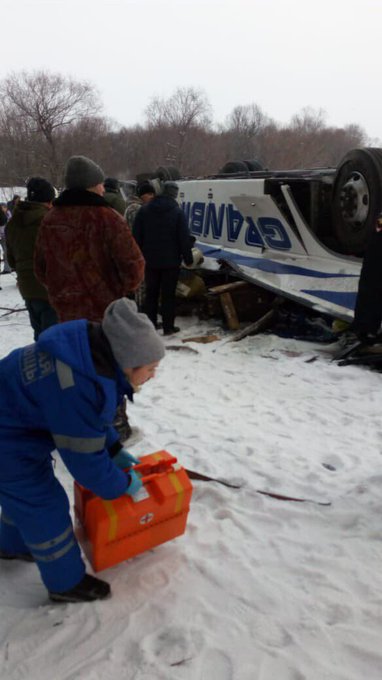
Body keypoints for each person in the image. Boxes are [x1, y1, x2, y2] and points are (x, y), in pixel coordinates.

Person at [0, 298, 165, 603]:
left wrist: (113, 447)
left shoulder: (86, 353)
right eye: (152, 368)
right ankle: (66, 584)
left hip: (14, 424)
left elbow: (89, 418)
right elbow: (87, 465)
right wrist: (120, 484)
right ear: (129, 363)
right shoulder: (75, 384)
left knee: (21, 495)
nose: (154, 375)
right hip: (8, 440)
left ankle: (12, 545)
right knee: (43, 505)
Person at [34, 155, 145, 322]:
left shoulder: (50, 219)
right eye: (100, 184)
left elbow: (40, 267)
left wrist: (61, 290)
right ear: (91, 186)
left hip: (66, 312)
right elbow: (133, 266)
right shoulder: (109, 218)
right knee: (100, 348)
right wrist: (119, 291)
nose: (103, 189)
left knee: (74, 348)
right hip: (105, 313)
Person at [133, 181, 193, 335]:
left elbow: (136, 237)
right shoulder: (177, 212)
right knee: (168, 295)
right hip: (171, 262)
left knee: (150, 294)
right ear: (174, 194)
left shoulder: (144, 210)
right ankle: (168, 327)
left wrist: (138, 257)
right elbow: (183, 238)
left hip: (149, 261)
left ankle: (150, 325)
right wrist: (188, 258)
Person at [6, 177, 58, 339]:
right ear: (48, 201)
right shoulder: (49, 221)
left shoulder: (13, 222)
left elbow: (11, 260)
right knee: (55, 339)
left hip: (27, 288)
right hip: (49, 289)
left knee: (40, 336)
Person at [0, 203, 12, 274]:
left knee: (6, 252)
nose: (2, 209)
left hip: (6, 236)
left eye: (3, 207)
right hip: (2, 236)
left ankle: (8, 268)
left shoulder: (8, 215)